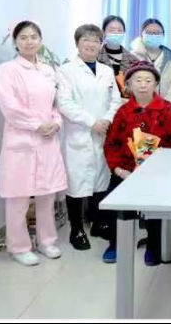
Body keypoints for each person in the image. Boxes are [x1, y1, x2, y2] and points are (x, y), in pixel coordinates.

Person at [0, 21, 67, 266]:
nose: (29, 41)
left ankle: (47, 241)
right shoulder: (6, 71)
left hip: (47, 139)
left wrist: (55, 122)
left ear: (40, 40)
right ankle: (19, 247)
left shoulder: (48, 70)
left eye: (34, 36)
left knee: (47, 193)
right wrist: (37, 125)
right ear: (15, 42)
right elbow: (10, 107)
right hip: (21, 140)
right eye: (23, 37)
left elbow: (55, 103)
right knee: (18, 196)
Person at [102, 61, 171, 266]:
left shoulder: (167, 109)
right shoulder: (123, 112)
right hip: (127, 170)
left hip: (158, 171)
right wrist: (119, 170)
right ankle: (116, 243)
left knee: (158, 202)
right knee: (114, 199)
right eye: (138, 80)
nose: (143, 85)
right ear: (129, 84)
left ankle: (154, 245)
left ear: (156, 83)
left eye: (148, 80)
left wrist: (161, 170)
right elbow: (111, 144)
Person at [56, 24, 121, 252]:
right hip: (79, 133)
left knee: (100, 180)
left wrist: (107, 120)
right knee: (76, 183)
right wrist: (91, 121)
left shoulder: (106, 70)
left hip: (102, 132)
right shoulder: (65, 70)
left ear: (101, 44)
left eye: (96, 40)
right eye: (86, 40)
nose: (91, 44)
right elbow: (64, 103)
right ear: (77, 43)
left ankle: (98, 223)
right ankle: (76, 230)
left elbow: (116, 100)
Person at [131, 18, 171, 105]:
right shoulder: (133, 57)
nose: (153, 36)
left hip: (166, 108)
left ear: (163, 35)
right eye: (149, 33)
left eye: (157, 33)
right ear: (141, 35)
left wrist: (164, 107)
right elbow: (130, 85)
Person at [97, 15, 139, 99]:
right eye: (112, 30)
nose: (116, 33)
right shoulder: (95, 57)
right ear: (103, 32)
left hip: (126, 104)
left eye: (120, 30)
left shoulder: (133, 60)